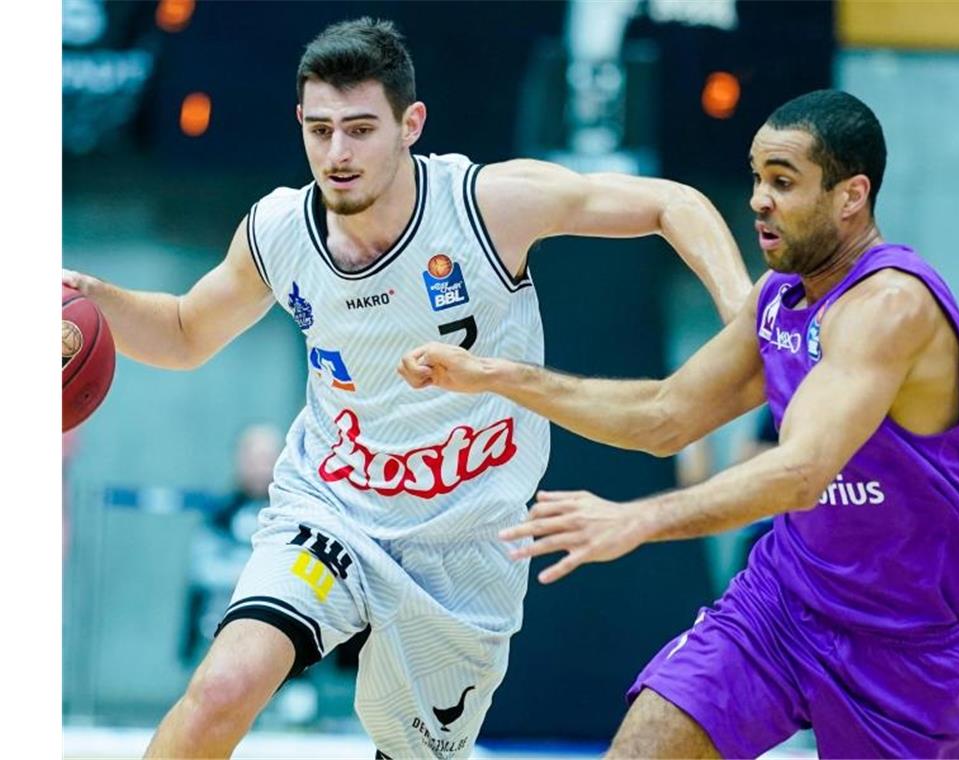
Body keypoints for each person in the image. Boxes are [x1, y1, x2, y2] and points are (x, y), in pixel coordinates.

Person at [61, 17, 751, 760]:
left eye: (360, 129)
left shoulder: (486, 206)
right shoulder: (278, 229)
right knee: (223, 689)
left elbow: (670, 203)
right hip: (331, 508)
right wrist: (97, 296)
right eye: (320, 129)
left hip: (464, 543)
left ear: (409, 124)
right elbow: (186, 332)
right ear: (299, 123)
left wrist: (744, 309)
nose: (338, 153)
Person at [400, 89, 959, 758]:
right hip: (783, 605)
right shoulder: (778, 299)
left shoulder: (891, 305)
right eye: (757, 178)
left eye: (783, 182)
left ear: (850, 196)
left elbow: (801, 472)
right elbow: (663, 417)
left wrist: (640, 518)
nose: (758, 199)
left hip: (907, 640)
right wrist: (500, 376)